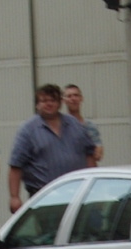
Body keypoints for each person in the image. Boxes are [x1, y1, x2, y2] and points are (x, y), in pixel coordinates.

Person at [7, 84, 95, 214]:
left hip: (78, 196)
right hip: (44, 198)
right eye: (44, 101)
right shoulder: (28, 130)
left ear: (60, 103)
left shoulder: (76, 125)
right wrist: (14, 197)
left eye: (53, 100)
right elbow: (15, 166)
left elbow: (89, 156)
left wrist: (94, 188)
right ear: (37, 105)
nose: (49, 104)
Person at [62, 84, 101, 166]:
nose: (73, 99)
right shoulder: (59, 126)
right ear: (63, 100)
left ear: (81, 98)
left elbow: (98, 155)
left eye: (76, 95)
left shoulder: (90, 126)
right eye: (69, 96)